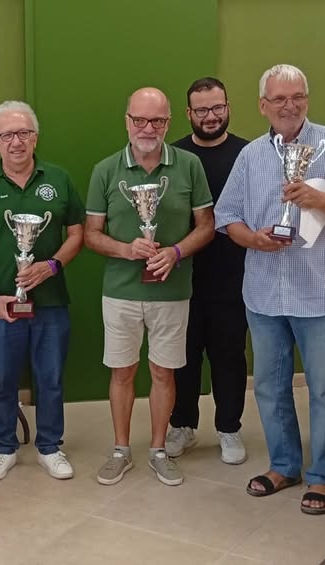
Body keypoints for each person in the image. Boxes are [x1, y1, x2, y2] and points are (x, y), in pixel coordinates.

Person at [85, 87, 214, 487]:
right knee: (122, 372)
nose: (148, 128)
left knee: (163, 373)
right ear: (127, 121)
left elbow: (206, 226)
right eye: (139, 120)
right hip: (120, 292)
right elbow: (91, 234)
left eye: (157, 120)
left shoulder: (189, 165)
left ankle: (159, 449)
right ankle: (121, 450)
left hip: (172, 291)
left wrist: (175, 252)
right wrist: (126, 249)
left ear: (168, 122)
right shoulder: (105, 170)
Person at [215, 64, 325, 515]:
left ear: (307, 100)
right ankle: (283, 466)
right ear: (263, 105)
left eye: (297, 96)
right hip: (263, 293)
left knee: (322, 390)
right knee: (270, 387)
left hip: (318, 294)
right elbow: (227, 216)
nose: (289, 105)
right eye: (279, 98)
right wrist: (253, 239)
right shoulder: (250, 156)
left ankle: (321, 476)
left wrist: (320, 200)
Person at [0, 100, 84, 481]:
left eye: (24, 133)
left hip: (51, 302)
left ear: (35, 137)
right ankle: (3, 448)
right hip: (1, 305)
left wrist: (51, 266)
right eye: (7, 135)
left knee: (50, 378)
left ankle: (50, 447)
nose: (16, 142)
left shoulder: (58, 179)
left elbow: (77, 233)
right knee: (3, 380)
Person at [166, 78, 249, 465]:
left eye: (217, 108)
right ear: (189, 113)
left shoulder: (248, 154)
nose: (211, 116)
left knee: (229, 356)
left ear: (228, 107)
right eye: (202, 110)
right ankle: (182, 424)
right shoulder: (174, 156)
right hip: (182, 277)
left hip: (233, 277)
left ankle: (229, 428)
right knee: (182, 357)